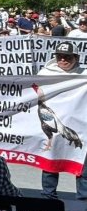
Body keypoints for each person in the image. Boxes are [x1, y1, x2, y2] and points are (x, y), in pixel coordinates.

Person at [38, 42, 87, 199]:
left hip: (80, 129)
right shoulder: (44, 74)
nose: (63, 60)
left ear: (76, 58)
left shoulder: (84, 74)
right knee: (51, 164)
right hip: (54, 126)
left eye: (68, 57)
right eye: (60, 56)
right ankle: (48, 198)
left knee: (82, 167)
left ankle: (83, 202)